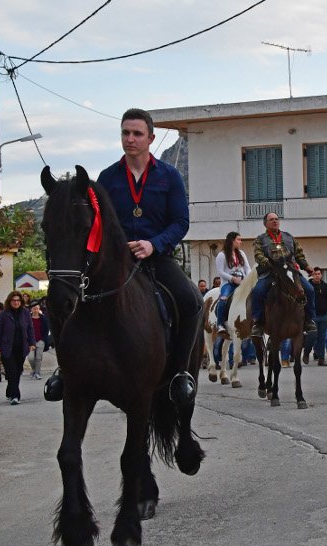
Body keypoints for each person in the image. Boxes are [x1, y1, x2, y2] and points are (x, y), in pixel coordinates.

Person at [92, 108, 202, 403]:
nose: (130, 139)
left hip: (158, 258)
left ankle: (180, 373)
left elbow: (181, 222)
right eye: (125, 133)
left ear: (150, 138)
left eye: (137, 134)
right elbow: (99, 222)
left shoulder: (169, 176)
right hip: (117, 261)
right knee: (74, 298)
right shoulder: (107, 178)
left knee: (192, 302)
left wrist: (154, 244)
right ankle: (67, 370)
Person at [250, 212, 317, 338]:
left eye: (276, 219)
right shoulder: (260, 239)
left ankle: (309, 320)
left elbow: (299, 254)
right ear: (265, 223)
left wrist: (306, 267)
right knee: (257, 292)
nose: (275, 221)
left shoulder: (289, 237)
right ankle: (258, 323)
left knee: (310, 289)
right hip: (270, 272)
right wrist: (269, 263)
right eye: (271, 220)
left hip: (290, 271)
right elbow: (258, 255)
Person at [0, 291, 36, 405]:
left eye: (18, 300)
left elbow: (30, 329)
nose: (16, 302)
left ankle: (10, 390)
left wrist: (32, 343)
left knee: (17, 371)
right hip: (7, 347)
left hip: (21, 347)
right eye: (14, 300)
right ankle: (15, 396)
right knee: (11, 371)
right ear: (9, 301)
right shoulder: (4, 314)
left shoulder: (26, 313)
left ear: (21, 302)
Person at [214, 231, 251, 336]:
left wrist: (247, 279)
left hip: (243, 282)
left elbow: (247, 268)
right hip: (228, 283)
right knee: (223, 298)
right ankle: (220, 324)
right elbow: (220, 272)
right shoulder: (222, 255)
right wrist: (232, 279)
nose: (241, 242)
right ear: (231, 241)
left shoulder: (241, 254)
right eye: (238, 240)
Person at [302, 267, 327, 367]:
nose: (317, 275)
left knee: (322, 338)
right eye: (315, 274)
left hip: (324, 316)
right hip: (312, 316)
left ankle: (321, 359)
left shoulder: (324, 286)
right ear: (312, 275)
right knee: (312, 336)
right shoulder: (308, 286)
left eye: (319, 274)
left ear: (321, 275)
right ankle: (306, 353)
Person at [27, 302, 49, 380]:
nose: (35, 310)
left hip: (40, 340)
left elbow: (46, 329)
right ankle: (34, 370)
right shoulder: (28, 318)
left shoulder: (43, 318)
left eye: (37, 308)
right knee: (31, 358)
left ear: (39, 309)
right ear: (31, 309)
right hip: (30, 341)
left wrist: (43, 340)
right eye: (34, 309)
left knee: (38, 358)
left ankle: (37, 373)